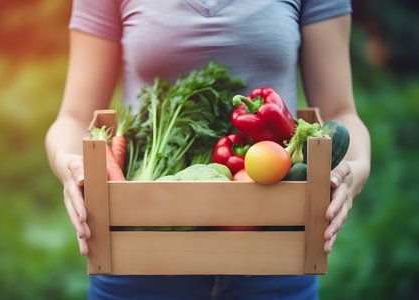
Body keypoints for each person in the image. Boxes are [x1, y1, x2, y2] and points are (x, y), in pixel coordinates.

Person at [45, 0, 371, 299]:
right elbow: (73, 117)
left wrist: (354, 170)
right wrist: (68, 163)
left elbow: (341, 111)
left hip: (276, 256)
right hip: (137, 255)